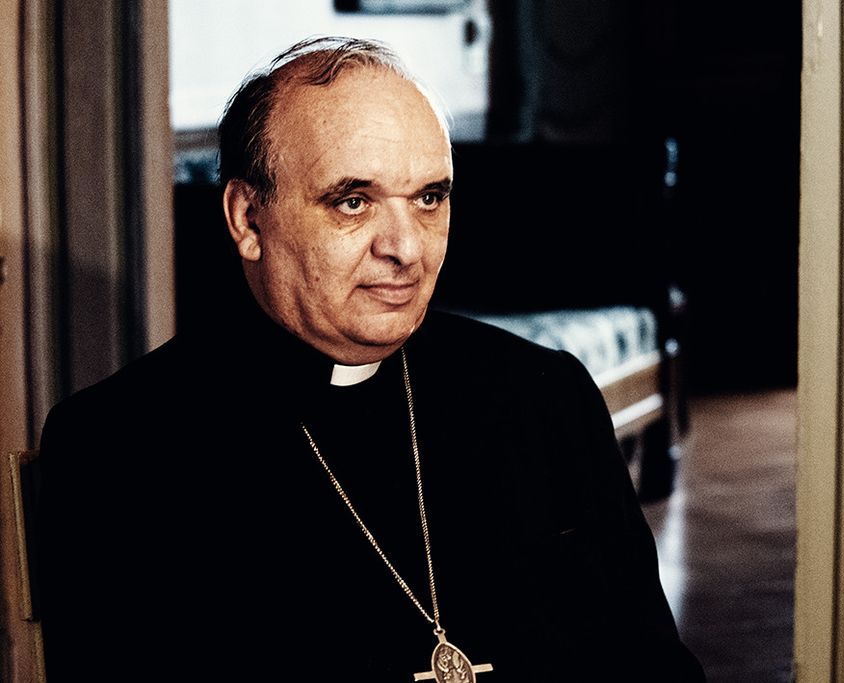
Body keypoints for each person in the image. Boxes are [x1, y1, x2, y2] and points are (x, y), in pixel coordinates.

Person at [39, 36, 704, 681]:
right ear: (248, 219)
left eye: (429, 198)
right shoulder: (117, 446)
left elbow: (651, 664)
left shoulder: (544, 395)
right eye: (353, 203)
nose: (406, 249)